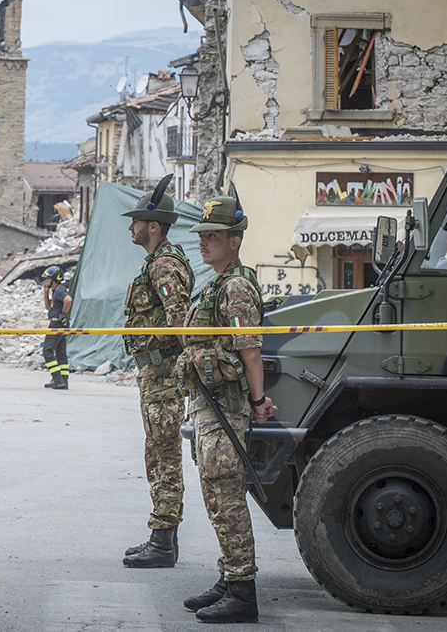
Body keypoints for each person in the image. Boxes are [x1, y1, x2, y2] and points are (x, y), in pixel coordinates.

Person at [177, 196, 277, 624]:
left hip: (226, 407)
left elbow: (250, 351)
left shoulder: (235, 286)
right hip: (208, 404)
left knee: (227, 495)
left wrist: (257, 404)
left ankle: (242, 590)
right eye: (201, 235)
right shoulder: (216, 283)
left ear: (234, 241)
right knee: (216, 496)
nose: (204, 243)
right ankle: (228, 577)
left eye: (213, 236)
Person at [120, 177, 194, 568]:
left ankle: (162, 540)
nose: (130, 227)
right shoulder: (155, 263)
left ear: (154, 225)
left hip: (163, 376)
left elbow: (179, 321)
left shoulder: (164, 265)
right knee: (158, 450)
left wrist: (187, 371)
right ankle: (164, 538)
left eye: (135, 221)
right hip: (154, 375)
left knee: (163, 454)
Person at [41, 265, 72, 390]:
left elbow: (68, 300)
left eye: (48, 278)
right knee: (60, 352)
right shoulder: (55, 291)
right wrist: (46, 293)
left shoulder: (60, 290)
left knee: (47, 350)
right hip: (59, 323)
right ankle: (63, 381)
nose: (46, 280)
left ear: (54, 278)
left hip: (57, 324)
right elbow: (48, 307)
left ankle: (57, 379)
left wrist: (62, 313)